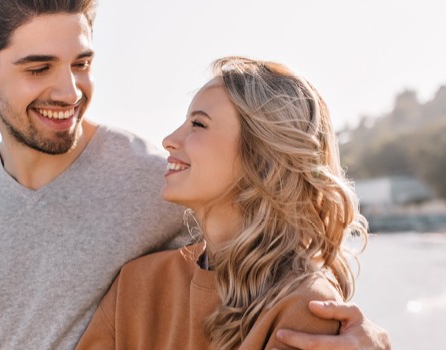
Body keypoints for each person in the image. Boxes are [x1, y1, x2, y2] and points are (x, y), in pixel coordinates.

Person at [0, 1, 392, 349]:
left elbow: (287, 259)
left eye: (82, 63)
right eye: (39, 67)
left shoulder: (160, 181)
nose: (69, 90)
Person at [74, 57, 367, 350]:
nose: (169, 140)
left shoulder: (306, 305)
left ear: (261, 157)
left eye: (198, 124)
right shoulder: (135, 283)